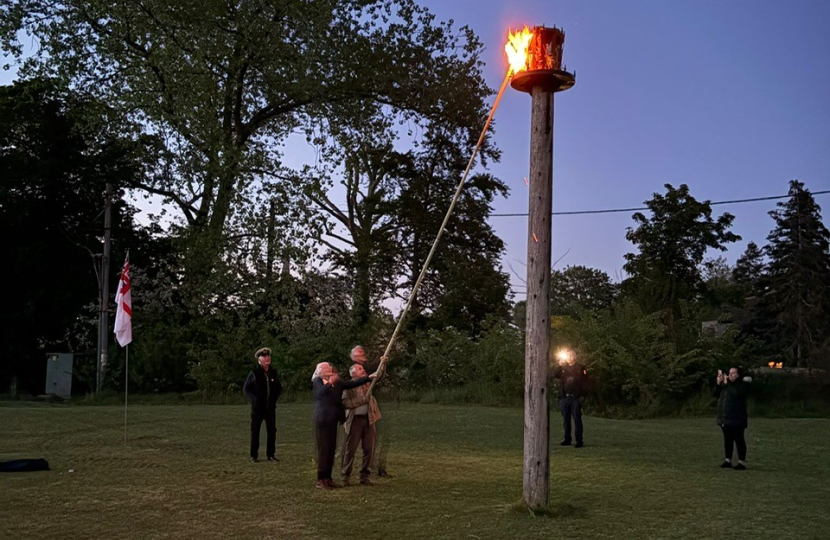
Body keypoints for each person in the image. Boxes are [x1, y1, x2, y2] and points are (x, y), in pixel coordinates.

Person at [312, 362, 375, 489]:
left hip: (333, 420)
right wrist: (330, 382)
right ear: (319, 371)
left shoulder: (338, 382)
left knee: (331, 449)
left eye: (329, 367)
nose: (329, 369)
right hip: (323, 420)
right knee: (324, 450)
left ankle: (328, 478)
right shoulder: (317, 381)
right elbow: (320, 394)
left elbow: (352, 384)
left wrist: (369, 378)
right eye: (325, 368)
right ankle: (321, 479)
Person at [350, 345, 392, 477]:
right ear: (353, 356)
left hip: (371, 411)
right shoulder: (354, 369)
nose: (362, 353)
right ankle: (347, 472)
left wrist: (383, 363)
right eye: (359, 352)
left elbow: (377, 375)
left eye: (363, 350)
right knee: (351, 445)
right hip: (355, 413)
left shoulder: (366, 366)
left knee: (371, 443)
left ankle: (372, 470)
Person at [341, 362, 382, 486]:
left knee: (369, 448)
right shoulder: (348, 386)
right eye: (360, 369)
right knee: (350, 450)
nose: (363, 370)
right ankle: (345, 476)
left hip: (369, 419)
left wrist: (383, 362)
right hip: (355, 421)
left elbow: (379, 374)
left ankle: (364, 476)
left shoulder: (367, 382)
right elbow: (346, 403)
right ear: (353, 373)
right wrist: (361, 401)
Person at [243, 347, 282, 462]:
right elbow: (246, 388)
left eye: (268, 356)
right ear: (259, 360)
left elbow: (278, 388)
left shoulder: (273, 373)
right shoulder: (255, 373)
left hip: (270, 408)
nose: (267, 358)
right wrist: (254, 399)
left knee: (271, 431)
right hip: (258, 408)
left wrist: (274, 399)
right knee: (255, 430)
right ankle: (253, 455)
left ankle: (271, 454)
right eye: (264, 356)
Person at [551, 349, 589, 448]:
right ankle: (567, 439)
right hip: (565, 397)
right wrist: (559, 365)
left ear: (574, 356)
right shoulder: (563, 368)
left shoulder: (580, 368)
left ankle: (579, 440)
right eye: (567, 356)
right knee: (565, 420)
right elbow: (555, 375)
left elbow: (585, 382)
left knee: (577, 419)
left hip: (575, 398)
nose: (569, 357)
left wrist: (583, 396)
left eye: (571, 355)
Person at [715, 367, 751, 470]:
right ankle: (728, 460)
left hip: (737, 418)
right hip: (725, 418)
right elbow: (716, 394)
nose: (730, 375)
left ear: (738, 375)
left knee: (739, 439)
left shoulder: (741, 385)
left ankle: (741, 461)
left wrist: (728, 384)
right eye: (729, 373)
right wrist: (718, 383)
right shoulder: (726, 386)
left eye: (733, 373)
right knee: (728, 439)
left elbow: (737, 394)